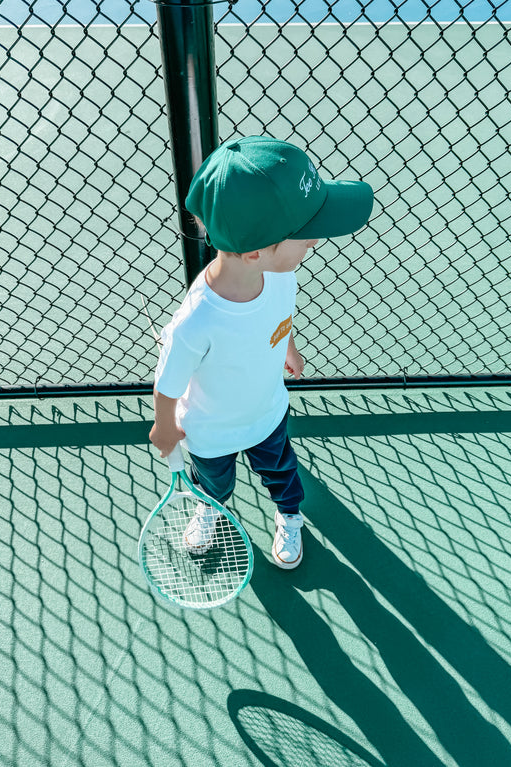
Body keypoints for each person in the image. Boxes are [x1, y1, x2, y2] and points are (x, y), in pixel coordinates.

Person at [149, 136, 374, 569]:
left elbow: (279, 314)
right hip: (210, 433)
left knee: (283, 474)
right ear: (256, 251)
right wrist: (164, 427)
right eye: (305, 235)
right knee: (213, 482)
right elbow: (167, 385)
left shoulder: (278, 272)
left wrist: (288, 344)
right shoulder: (196, 323)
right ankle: (210, 506)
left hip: (268, 413)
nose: (314, 242)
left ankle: (290, 514)